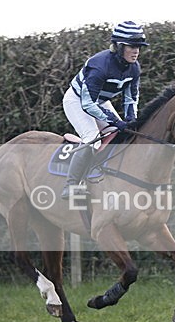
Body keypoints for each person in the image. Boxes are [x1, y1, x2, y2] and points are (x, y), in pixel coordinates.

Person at [61, 20, 148, 198]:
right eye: (132, 46)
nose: (136, 51)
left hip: (100, 101)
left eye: (139, 47)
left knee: (120, 134)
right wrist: (115, 121)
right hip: (77, 101)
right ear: (119, 46)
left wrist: (131, 121)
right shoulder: (99, 65)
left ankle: (105, 173)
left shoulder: (134, 68)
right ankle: (71, 184)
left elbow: (131, 98)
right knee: (92, 138)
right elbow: (88, 104)